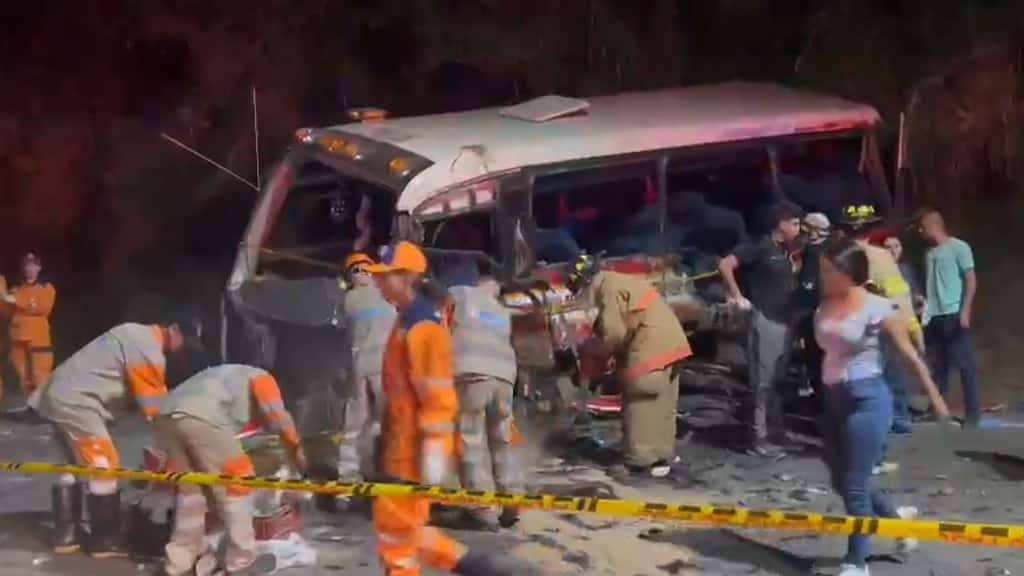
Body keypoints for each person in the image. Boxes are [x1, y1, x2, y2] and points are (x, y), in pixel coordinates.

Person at [368, 241, 539, 576]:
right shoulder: (408, 320)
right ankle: (480, 556)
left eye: (384, 275)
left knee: (398, 533)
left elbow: (437, 397)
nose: (378, 281)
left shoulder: (423, 325)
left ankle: (479, 535)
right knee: (400, 531)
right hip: (499, 380)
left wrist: (433, 453)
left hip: (413, 449)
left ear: (407, 277)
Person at [815, 238, 950, 576]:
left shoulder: (877, 307)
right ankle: (899, 528)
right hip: (832, 400)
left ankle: (856, 562)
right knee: (842, 481)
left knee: (856, 486)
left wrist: (935, 397)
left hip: (868, 399)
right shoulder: (824, 305)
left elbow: (908, 355)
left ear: (848, 272)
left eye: (828, 270)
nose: (822, 276)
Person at [27, 318, 203, 557]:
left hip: (58, 393)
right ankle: (104, 541)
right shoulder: (148, 349)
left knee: (71, 465)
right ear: (174, 329)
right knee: (106, 466)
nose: (182, 349)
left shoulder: (133, 334)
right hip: (78, 403)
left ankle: (66, 536)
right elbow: (155, 408)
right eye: (185, 342)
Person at [156, 364, 307, 576]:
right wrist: (297, 455)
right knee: (238, 483)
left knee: (191, 492)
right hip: (202, 417)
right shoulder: (263, 377)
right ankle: (241, 562)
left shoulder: (228, 375)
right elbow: (280, 419)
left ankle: (178, 563)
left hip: (166, 415)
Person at [569, 253, 692, 478]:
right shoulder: (620, 280)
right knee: (663, 403)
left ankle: (637, 461)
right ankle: (661, 456)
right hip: (673, 342)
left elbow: (613, 332)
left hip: (650, 344)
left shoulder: (607, 288)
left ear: (584, 281)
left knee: (639, 398)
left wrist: (599, 359)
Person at [441, 256, 522, 531]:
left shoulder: (458, 295)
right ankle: (511, 500)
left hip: (472, 375)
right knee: (502, 440)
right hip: (505, 378)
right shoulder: (501, 310)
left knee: (471, 439)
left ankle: (481, 509)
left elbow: (442, 328)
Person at [718, 201, 804, 456]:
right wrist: (737, 296)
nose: (798, 229)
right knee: (762, 383)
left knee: (778, 381)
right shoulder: (758, 245)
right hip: (764, 319)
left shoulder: (785, 250)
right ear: (781, 224)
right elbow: (725, 265)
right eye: (795, 223)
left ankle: (776, 432)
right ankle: (757, 438)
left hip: (784, 321)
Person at [836, 205, 922, 436]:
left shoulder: (836, 257)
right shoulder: (880, 257)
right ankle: (895, 418)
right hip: (881, 325)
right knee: (888, 373)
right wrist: (913, 329)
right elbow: (900, 297)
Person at [336, 252, 397, 483]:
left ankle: (351, 478)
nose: (362, 273)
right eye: (358, 270)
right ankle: (386, 475)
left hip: (361, 366)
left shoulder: (346, 300)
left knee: (357, 425)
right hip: (381, 367)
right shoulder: (388, 296)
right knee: (384, 422)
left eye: (364, 269)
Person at [918, 208, 980, 427]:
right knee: (939, 365)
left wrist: (966, 310)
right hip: (933, 315)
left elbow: (971, 280)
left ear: (934, 225)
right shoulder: (929, 254)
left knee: (964, 365)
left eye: (922, 227)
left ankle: (972, 415)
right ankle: (937, 408)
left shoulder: (959, 248)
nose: (920, 231)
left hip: (953, 313)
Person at [3, 252, 56, 397]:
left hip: (37, 339)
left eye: (33, 265)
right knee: (22, 375)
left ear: (39, 268)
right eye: (27, 265)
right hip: (18, 339)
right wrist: (3, 297)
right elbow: (7, 313)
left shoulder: (46, 288)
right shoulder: (17, 289)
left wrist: (17, 300)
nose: (29, 268)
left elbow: (43, 308)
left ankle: (41, 407)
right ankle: (29, 406)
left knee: (40, 374)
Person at [795, 213, 831, 404]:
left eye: (805, 227)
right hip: (814, 316)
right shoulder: (811, 252)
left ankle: (825, 406)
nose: (801, 231)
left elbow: (808, 286)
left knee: (820, 363)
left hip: (820, 315)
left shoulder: (819, 253)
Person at [882, 236, 924, 316]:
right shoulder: (877, 271)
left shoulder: (906, 269)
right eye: (888, 247)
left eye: (896, 246)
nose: (893, 251)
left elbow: (915, 292)